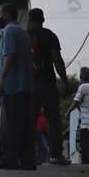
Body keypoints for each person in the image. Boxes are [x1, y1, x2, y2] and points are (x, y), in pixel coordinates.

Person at [0, 3, 36, 170]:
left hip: (13, 86)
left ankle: (10, 158)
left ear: (7, 15)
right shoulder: (23, 32)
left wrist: (2, 78)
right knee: (24, 124)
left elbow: (10, 54)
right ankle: (27, 159)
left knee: (12, 124)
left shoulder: (9, 31)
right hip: (25, 85)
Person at [27, 8, 71, 165]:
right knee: (53, 118)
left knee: (29, 119)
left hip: (28, 83)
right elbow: (57, 60)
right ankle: (55, 155)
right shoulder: (49, 36)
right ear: (43, 20)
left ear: (29, 19)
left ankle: (29, 155)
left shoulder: (24, 36)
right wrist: (64, 81)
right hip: (46, 82)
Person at [65, 67, 89, 164]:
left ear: (81, 77)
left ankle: (87, 164)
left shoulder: (82, 87)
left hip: (85, 122)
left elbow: (76, 102)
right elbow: (86, 106)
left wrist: (68, 112)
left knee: (84, 144)